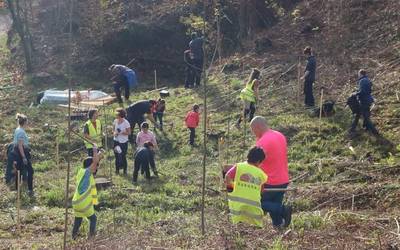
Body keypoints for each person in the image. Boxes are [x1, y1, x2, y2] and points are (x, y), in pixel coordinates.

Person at [250, 116, 292, 229]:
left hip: (270, 181)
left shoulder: (262, 142)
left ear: (258, 127)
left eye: (253, 131)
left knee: (256, 203)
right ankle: (278, 225)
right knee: (274, 203)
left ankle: (283, 210)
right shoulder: (279, 135)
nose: (254, 134)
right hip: (283, 179)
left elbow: (253, 164)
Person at [225, 146, 268, 227]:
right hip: (254, 210)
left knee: (238, 228)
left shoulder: (239, 167)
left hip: (237, 208)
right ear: (259, 161)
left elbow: (227, 176)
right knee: (255, 230)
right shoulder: (262, 174)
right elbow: (261, 191)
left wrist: (231, 187)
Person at [71, 145, 102, 240]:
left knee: (78, 220)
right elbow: (95, 161)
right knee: (93, 219)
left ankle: (74, 236)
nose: (96, 168)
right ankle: (91, 237)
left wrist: (100, 154)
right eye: (94, 166)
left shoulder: (81, 172)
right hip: (84, 204)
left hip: (76, 203)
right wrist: (95, 150)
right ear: (90, 165)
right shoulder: (87, 173)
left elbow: (97, 161)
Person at [349, 69, 379, 135]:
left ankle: (375, 132)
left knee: (365, 117)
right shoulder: (368, 80)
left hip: (364, 101)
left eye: (358, 74)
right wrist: (357, 91)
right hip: (369, 100)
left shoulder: (362, 81)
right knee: (359, 114)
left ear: (361, 74)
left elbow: (363, 92)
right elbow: (366, 90)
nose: (358, 76)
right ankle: (354, 128)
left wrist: (355, 94)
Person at [13, 113, 34, 196]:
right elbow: (20, 145)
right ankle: (30, 190)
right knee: (30, 171)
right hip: (22, 152)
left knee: (19, 170)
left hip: (17, 152)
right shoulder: (21, 131)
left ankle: (18, 191)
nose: (28, 122)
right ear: (25, 122)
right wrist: (24, 157)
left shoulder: (18, 129)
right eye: (27, 120)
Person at [113, 108, 131, 175]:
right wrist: (114, 133)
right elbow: (113, 130)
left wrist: (122, 133)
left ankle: (125, 170)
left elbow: (129, 133)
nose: (116, 115)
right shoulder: (115, 121)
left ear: (120, 114)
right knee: (116, 155)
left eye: (117, 114)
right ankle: (117, 170)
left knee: (123, 156)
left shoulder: (126, 123)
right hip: (116, 141)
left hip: (123, 142)